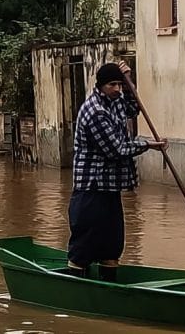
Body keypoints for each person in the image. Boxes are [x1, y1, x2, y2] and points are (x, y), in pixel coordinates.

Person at [67, 61, 167, 281]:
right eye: (113, 85)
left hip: (111, 186)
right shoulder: (95, 112)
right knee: (84, 245)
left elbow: (133, 108)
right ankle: (76, 286)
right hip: (91, 187)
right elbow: (116, 150)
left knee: (112, 246)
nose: (117, 89)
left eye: (119, 85)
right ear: (101, 85)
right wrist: (148, 145)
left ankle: (109, 286)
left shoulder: (117, 99)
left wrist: (130, 81)